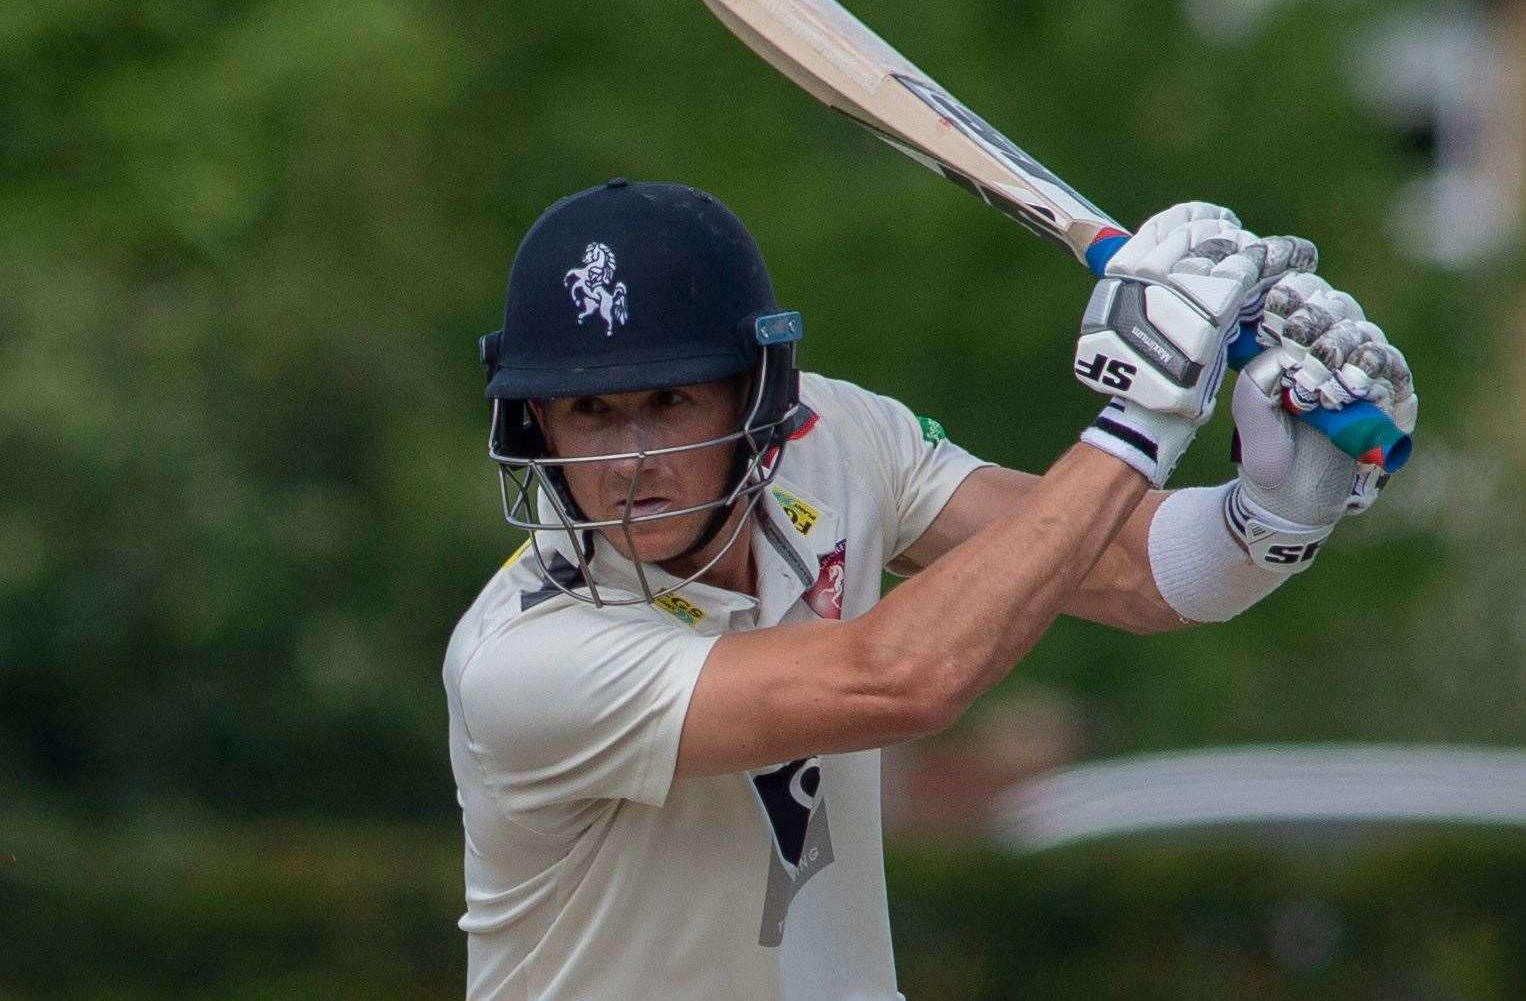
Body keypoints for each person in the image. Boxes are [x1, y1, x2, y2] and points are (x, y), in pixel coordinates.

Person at [443, 178, 1417, 999]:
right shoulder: (524, 663)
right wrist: (1140, 417)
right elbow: (896, 678)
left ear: (756, 389)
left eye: (670, 397)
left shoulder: (832, 439)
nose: (633, 457)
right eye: (589, 411)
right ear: (534, 422)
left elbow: (1109, 566)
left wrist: (1277, 511)